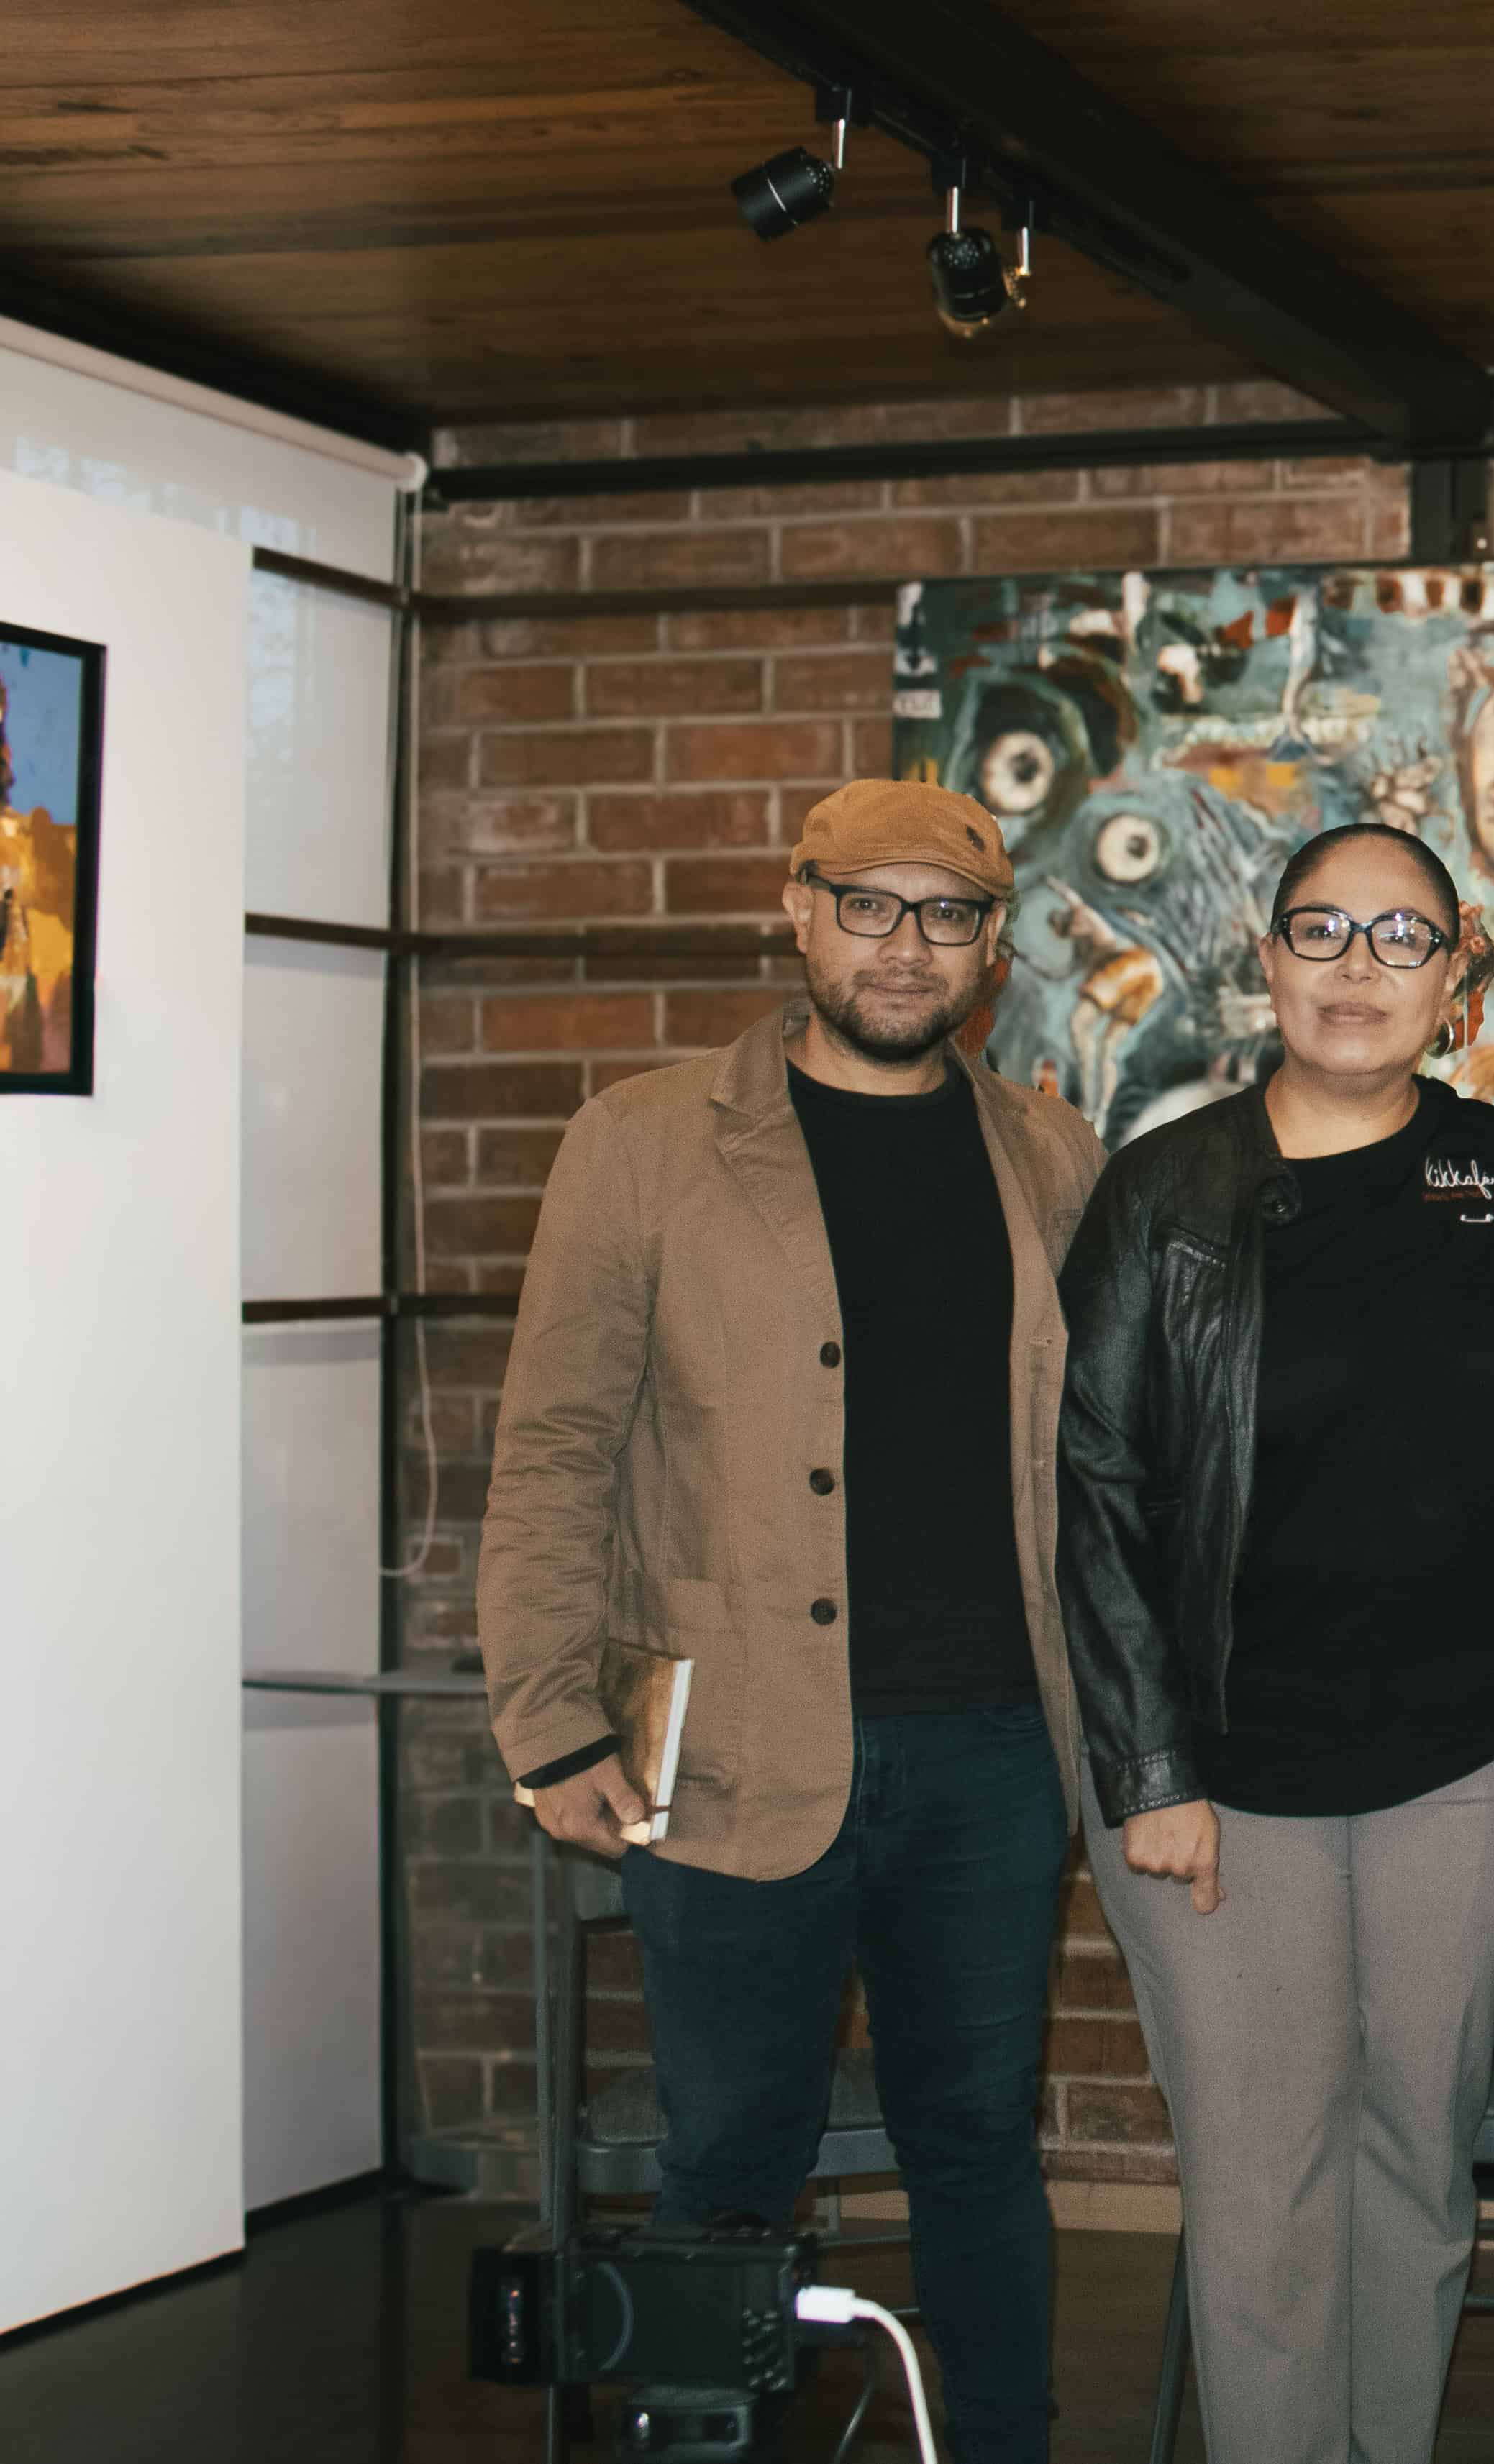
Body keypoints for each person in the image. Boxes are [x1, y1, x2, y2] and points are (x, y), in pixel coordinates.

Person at [478, 780, 1106, 2464]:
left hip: (988, 1749)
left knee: (976, 2145)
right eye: (870, 904)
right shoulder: (645, 1141)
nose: (906, 947)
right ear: (798, 906)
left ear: (991, 947)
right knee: (731, 2157)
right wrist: (550, 1718)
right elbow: (553, 1443)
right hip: (730, 1745)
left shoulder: (1047, 1151)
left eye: (948, 914)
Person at [1054, 821, 1494, 2464]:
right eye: (1323, 932)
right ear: (1267, 962)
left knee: (1413, 2160)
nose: (1357, 970)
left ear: (1459, 978)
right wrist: (1150, 1767)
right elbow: (1093, 1492)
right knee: (1261, 2192)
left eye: (1402, 939)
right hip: (1221, 1775)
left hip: (1460, 1763)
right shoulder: (1165, 1191)